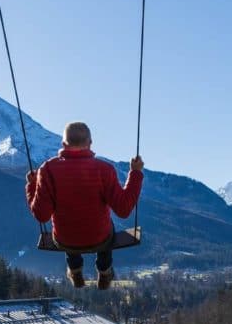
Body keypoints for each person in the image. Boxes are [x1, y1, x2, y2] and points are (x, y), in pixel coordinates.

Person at [26, 121, 144, 290]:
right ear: (90, 143)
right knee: (107, 228)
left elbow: (41, 215)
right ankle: (104, 271)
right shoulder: (105, 169)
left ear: (63, 144)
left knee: (68, 226)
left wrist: (31, 186)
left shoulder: (48, 169)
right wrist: (136, 173)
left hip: (65, 240)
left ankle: (75, 270)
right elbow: (124, 209)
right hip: (100, 239)